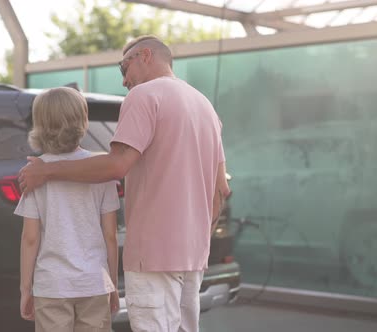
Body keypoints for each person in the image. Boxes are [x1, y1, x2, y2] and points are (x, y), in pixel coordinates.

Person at [18, 35, 230, 332]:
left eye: (123, 68)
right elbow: (221, 189)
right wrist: (197, 240)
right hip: (194, 256)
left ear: (144, 56)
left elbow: (116, 164)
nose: (124, 81)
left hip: (152, 254)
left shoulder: (144, 96)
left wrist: (47, 172)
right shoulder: (205, 105)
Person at [15, 87, 120, 332]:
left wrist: (25, 289)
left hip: (52, 286)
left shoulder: (35, 173)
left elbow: (30, 238)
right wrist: (112, 284)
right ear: (83, 121)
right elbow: (111, 236)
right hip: (94, 283)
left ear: (39, 124)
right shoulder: (100, 170)